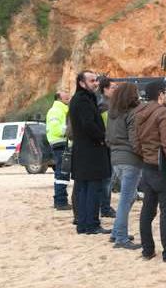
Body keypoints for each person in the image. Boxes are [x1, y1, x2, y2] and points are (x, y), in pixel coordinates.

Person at [133, 80, 166, 263]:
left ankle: (148, 250)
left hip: (147, 167)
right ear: (161, 94)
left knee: (147, 211)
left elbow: (136, 143)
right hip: (163, 168)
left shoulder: (139, 113)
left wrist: (146, 156)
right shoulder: (163, 113)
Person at [70, 71, 112, 235]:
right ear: (81, 83)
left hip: (85, 151)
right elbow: (88, 125)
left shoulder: (84, 99)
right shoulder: (82, 100)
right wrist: (103, 138)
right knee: (91, 189)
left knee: (85, 189)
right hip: (90, 151)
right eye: (92, 80)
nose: (96, 83)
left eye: (96, 80)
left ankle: (84, 224)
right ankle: (90, 224)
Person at [106, 83, 142, 250]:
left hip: (115, 159)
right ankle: (121, 238)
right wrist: (143, 153)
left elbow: (108, 138)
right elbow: (134, 140)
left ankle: (116, 232)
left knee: (131, 196)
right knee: (126, 199)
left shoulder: (112, 115)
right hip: (130, 160)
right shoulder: (132, 114)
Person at [46, 91, 71, 210]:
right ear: (58, 98)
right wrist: (72, 130)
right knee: (62, 173)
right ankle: (61, 202)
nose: (68, 96)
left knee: (61, 173)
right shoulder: (55, 111)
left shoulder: (62, 109)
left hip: (61, 144)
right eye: (65, 94)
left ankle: (60, 200)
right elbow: (55, 129)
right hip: (60, 144)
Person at [97, 76, 117, 218]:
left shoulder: (109, 104)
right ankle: (105, 207)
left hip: (107, 145)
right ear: (105, 89)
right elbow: (109, 127)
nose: (115, 90)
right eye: (113, 88)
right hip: (107, 146)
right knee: (107, 178)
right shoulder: (104, 106)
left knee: (108, 178)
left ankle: (104, 206)